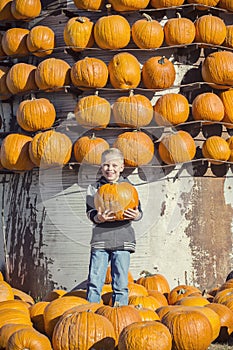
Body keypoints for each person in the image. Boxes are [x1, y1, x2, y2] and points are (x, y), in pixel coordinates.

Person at [86, 147, 143, 305]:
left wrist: (137, 215)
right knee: (95, 281)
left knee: (120, 283)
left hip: (123, 240)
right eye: (106, 165)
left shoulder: (129, 187)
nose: (109, 169)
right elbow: (89, 211)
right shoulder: (94, 188)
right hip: (100, 240)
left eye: (114, 166)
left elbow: (139, 210)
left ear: (121, 167)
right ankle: (92, 311)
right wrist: (98, 217)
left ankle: (120, 310)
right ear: (101, 167)